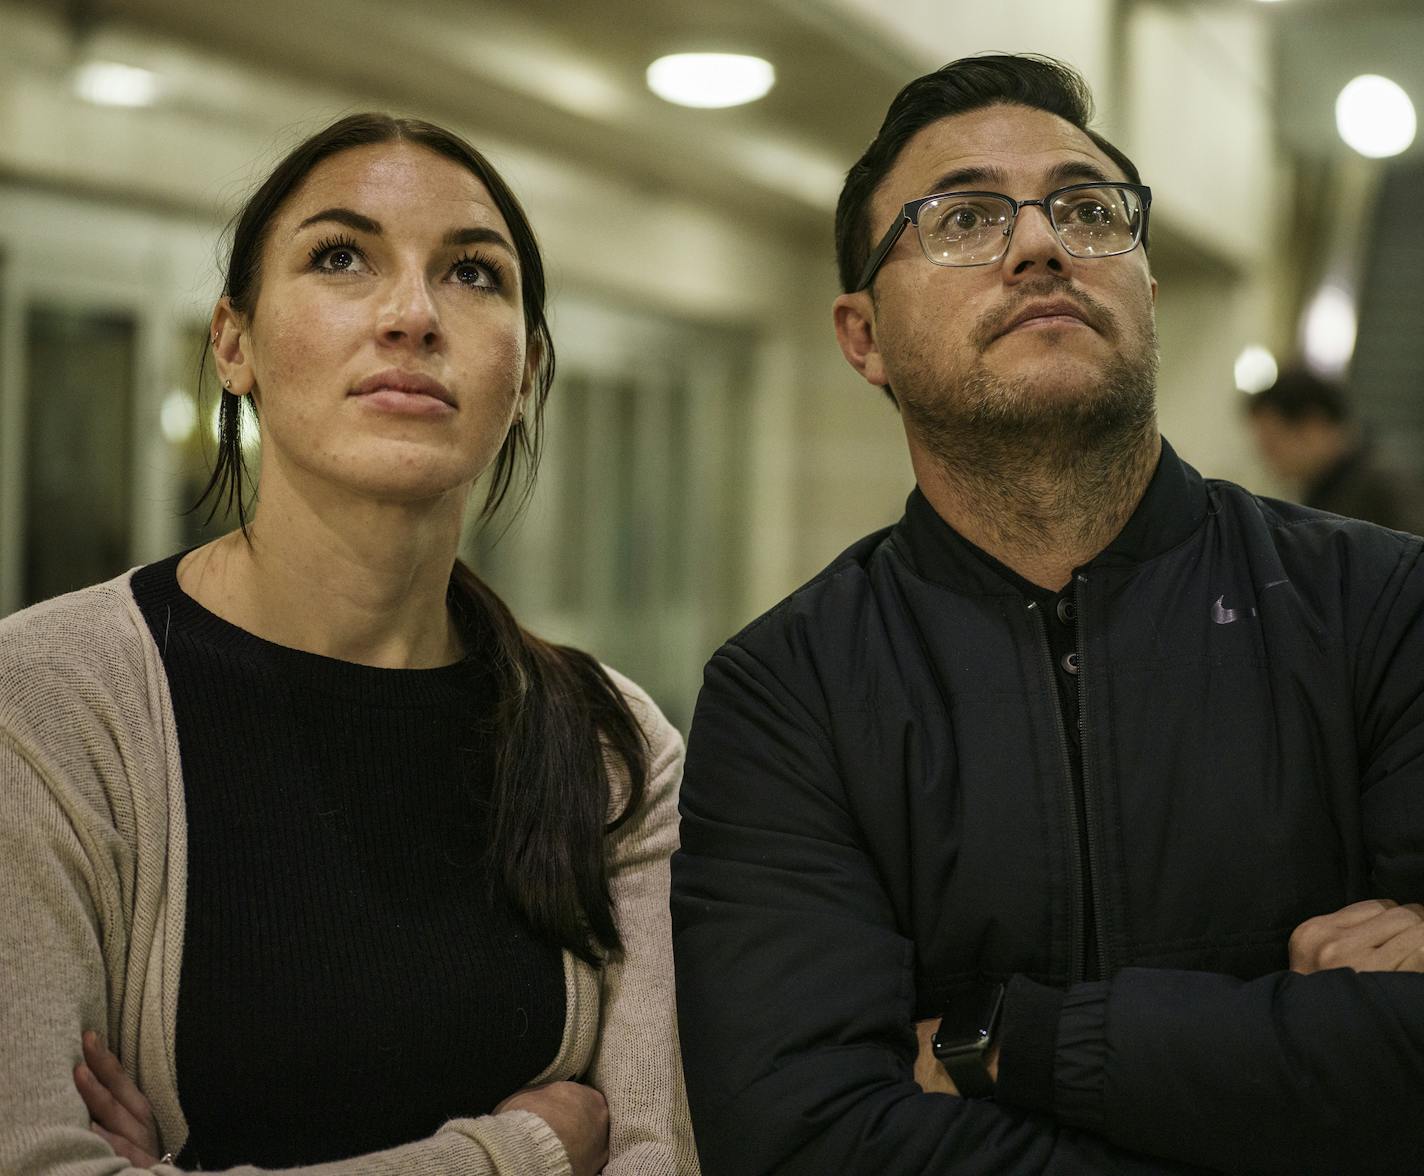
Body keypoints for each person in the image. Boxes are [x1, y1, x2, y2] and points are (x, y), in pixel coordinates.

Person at [671, 54, 1424, 1175]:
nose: (1039, 244)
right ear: (861, 337)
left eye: (1085, 209)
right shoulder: (789, 690)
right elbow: (803, 1140)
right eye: (963, 217)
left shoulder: (1378, 605)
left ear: (1147, 295)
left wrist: (1010, 1044)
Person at [0, 113, 695, 1176]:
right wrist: (526, 1151)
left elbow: (663, 1157)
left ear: (526, 372)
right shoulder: (48, 704)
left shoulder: (609, 743)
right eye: (339, 258)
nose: (412, 315)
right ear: (233, 343)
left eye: (472, 274)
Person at [1245, 366, 1424, 534]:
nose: (1266, 458)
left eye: (1272, 444)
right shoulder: (1327, 486)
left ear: (1312, 428)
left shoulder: (1383, 488)